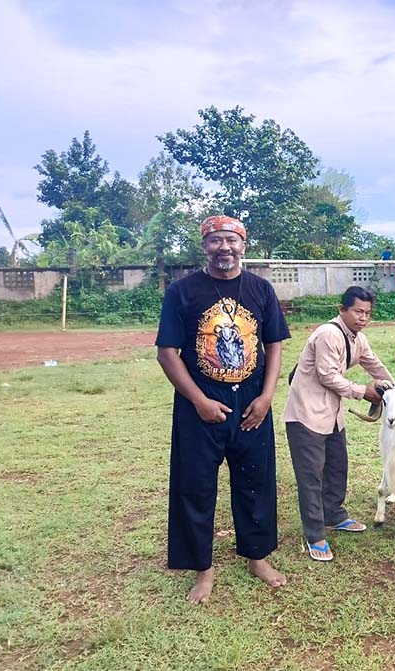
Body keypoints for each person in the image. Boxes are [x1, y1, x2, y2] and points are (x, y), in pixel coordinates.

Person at [156, 215, 289, 604]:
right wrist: (199, 400)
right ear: (204, 246)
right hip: (199, 407)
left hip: (252, 404)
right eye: (216, 240)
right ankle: (203, 569)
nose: (224, 247)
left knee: (255, 482)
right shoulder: (182, 291)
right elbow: (167, 353)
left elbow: (274, 344)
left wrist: (266, 397)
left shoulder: (261, 289)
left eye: (231, 240)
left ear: (243, 245)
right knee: (194, 486)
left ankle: (257, 557)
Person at [281, 287, 394, 561]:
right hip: (306, 415)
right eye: (358, 311)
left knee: (337, 467)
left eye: (367, 313)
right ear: (342, 309)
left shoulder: (358, 339)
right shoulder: (328, 334)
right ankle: (315, 535)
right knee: (311, 477)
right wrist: (363, 391)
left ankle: (333, 515)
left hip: (331, 415)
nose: (363, 318)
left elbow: (375, 366)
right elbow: (327, 376)